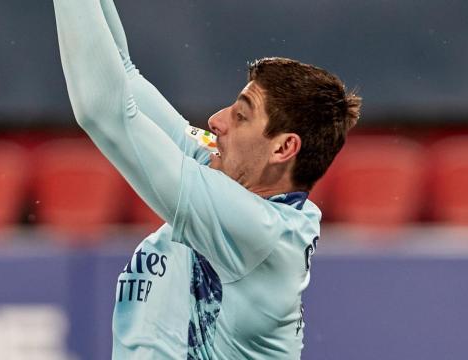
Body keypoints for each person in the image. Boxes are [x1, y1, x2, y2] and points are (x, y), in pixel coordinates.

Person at [53, 0, 361, 358]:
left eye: (242, 116)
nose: (216, 121)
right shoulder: (233, 174)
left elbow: (103, 112)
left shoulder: (252, 230)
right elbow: (123, 77)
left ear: (283, 148)